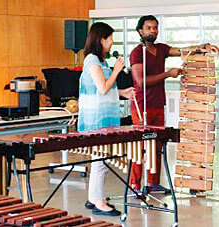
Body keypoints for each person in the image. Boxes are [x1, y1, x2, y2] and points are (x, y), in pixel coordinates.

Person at [129, 15, 219, 193]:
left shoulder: (161, 49)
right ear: (140, 31)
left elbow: (182, 51)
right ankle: (135, 185)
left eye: (155, 27)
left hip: (157, 104)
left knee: (157, 146)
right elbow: (140, 81)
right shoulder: (137, 52)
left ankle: (153, 183)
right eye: (148, 28)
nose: (153, 31)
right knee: (140, 148)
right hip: (142, 106)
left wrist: (202, 47)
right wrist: (167, 74)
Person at [78, 22, 135, 216]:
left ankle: (94, 196)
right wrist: (117, 70)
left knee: (101, 160)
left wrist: (122, 93)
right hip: (96, 120)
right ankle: (98, 201)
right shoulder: (92, 61)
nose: (112, 42)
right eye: (110, 38)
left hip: (106, 118)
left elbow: (103, 89)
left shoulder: (100, 61)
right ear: (101, 39)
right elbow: (102, 89)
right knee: (100, 161)